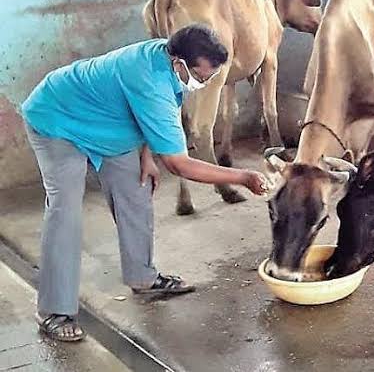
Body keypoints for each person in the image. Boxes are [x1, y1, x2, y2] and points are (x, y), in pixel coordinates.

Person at [19, 24, 266, 342]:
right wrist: (244, 176)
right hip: (58, 118)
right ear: (179, 62)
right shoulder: (150, 78)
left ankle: (143, 278)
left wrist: (147, 156)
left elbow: (163, 114)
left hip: (110, 126)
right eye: (200, 76)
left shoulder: (167, 59)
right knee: (65, 209)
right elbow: (178, 164)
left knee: (136, 191)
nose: (202, 83)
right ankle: (53, 309)